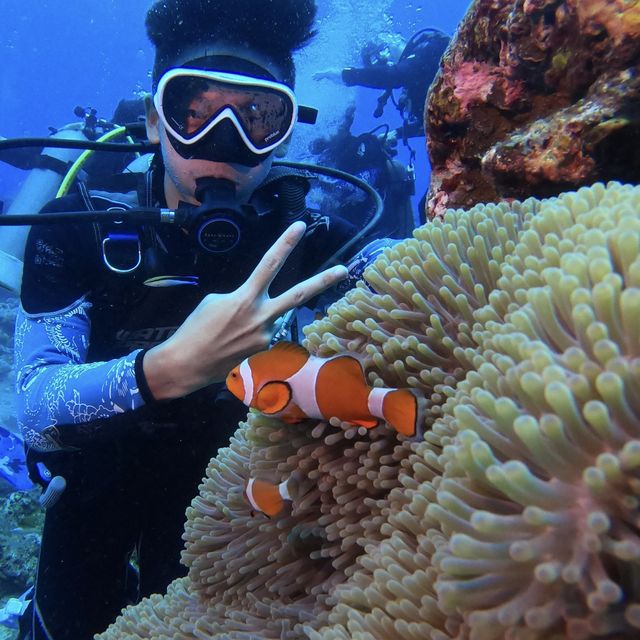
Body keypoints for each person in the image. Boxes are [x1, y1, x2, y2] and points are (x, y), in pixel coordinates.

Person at [13, 1, 359, 638]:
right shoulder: (78, 232)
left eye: (256, 117)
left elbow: (396, 267)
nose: (225, 142)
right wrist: (168, 369)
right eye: (195, 113)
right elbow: (33, 406)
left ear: (284, 133)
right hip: (95, 482)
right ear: (153, 121)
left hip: (228, 493)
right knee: (68, 621)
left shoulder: (310, 237)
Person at [313, 28, 451, 140]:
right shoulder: (417, 79)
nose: (388, 60)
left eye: (385, 54)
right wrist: (396, 134)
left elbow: (393, 76)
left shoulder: (427, 48)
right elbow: (431, 127)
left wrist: (344, 75)